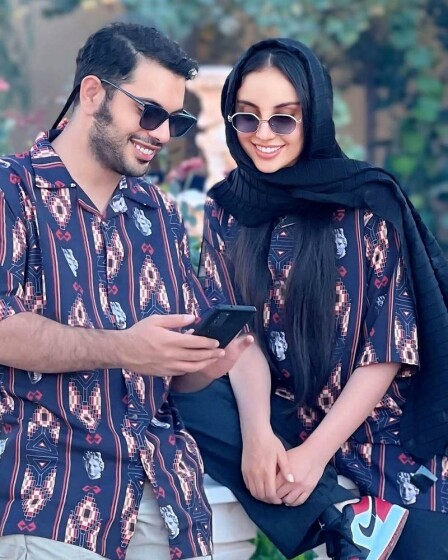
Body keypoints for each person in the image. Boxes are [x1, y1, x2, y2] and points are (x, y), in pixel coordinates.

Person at [172, 38, 448, 560]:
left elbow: (387, 349)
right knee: (185, 389)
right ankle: (339, 518)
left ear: (313, 116)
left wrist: (315, 454)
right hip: (286, 417)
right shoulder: (228, 208)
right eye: (247, 118)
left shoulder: (368, 201)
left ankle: (344, 511)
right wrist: (257, 435)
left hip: (381, 434)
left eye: (284, 119)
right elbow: (242, 339)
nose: (263, 135)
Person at [0, 22, 253, 560]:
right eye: (149, 112)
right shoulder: (10, 190)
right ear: (93, 93)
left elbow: (170, 376)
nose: (162, 134)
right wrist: (123, 348)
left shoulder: (157, 212)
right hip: (49, 497)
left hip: (167, 501)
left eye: (176, 120)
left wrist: (206, 361)